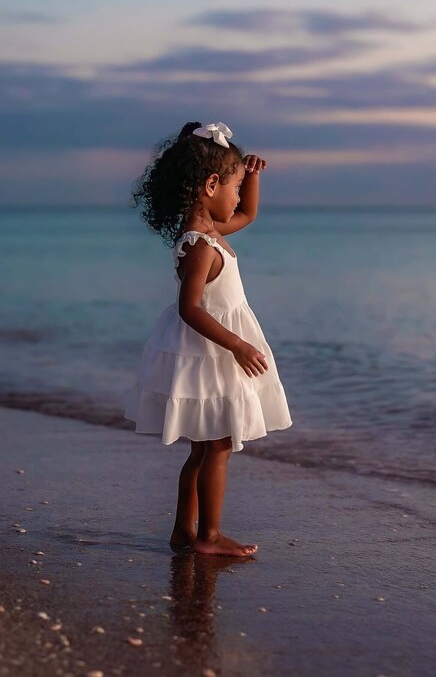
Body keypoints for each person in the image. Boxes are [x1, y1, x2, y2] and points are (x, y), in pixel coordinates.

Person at [123, 120, 293, 556]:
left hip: (208, 352)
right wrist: (237, 344)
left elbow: (249, 215)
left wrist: (252, 175)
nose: (238, 196)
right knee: (217, 446)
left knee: (203, 448)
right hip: (213, 352)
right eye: (234, 186)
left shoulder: (210, 233)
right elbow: (190, 307)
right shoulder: (200, 244)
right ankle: (210, 536)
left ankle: (184, 531)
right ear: (211, 184)